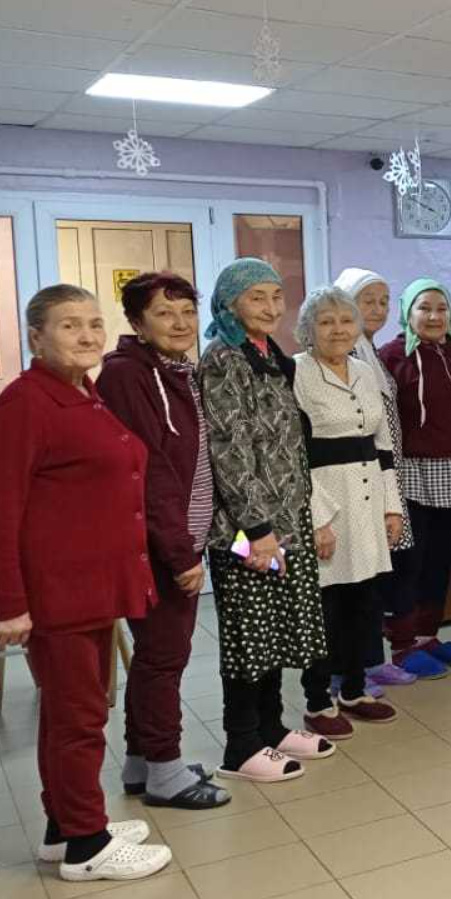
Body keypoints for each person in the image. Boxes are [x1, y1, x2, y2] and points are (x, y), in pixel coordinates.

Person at [0, 284, 175, 881]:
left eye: (95, 323)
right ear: (36, 336)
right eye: (70, 325)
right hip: (59, 592)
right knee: (79, 719)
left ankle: (63, 825)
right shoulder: (25, 404)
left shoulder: (81, 392)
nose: (88, 335)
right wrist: (8, 604)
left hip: (92, 587)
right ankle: (87, 846)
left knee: (72, 712)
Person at [95, 272, 228, 810]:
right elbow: (147, 471)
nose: (180, 323)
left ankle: (141, 762)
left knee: (157, 654)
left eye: (187, 312)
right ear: (136, 322)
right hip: (154, 544)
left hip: (181, 535)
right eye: (164, 313)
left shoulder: (178, 371)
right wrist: (179, 552)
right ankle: (166, 772)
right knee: (164, 657)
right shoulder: (127, 375)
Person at [199, 259, 333, 782]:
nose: (272, 307)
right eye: (257, 297)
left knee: (276, 631)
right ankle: (241, 744)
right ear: (230, 303)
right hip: (246, 529)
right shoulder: (223, 358)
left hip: (285, 520)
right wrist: (257, 529)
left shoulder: (269, 354)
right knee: (249, 638)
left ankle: (272, 729)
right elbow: (230, 449)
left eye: (277, 296)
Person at [291, 286, 403, 737]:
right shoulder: (297, 372)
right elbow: (294, 453)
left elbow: (383, 444)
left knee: (364, 603)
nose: (337, 330)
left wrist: (392, 508)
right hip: (327, 503)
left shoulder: (363, 370)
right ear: (308, 329)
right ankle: (318, 701)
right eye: (325, 322)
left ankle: (354, 691)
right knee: (326, 609)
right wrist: (317, 519)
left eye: (345, 320)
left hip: (368, 499)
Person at [379, 279, 451, 677]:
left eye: (441, 308)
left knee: (440, 558)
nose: (434, 316)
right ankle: (402, 643)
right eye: (424, 308)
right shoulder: (392, 356)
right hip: (411, 471)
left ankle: (427, 636)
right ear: (408, 313)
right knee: (409, 560)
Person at [336, 267, 417, 690]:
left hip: (383, 476)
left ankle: (370, 660)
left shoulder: (370, 351)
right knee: (351, 579)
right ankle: (345, 670)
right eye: (367, 300)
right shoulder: (341, 353)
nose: (378, 309)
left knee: (374, 575)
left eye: (384, 301)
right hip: (353, 481)